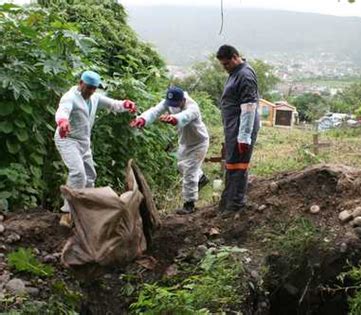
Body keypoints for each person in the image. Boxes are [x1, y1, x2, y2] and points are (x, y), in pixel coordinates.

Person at [55, 70, 137, 227]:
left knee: (90, 176)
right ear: (81, 83)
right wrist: (63, 122)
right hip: (67, 139)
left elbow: (113, 104)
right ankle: (67, 213)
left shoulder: (94, 98)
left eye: (94, 88)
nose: (91, 91)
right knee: (78, 173)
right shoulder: (70, 97)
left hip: (84, 142)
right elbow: (63, 110)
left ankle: (85, 208)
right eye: (89, 87)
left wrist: (125, 105)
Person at [130, 87, 209, 215]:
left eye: (176, 104)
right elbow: (155, 111)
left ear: (183, 100)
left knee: (189, 171)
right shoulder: (169, 102)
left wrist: (174, 119)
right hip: (184, 142)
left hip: (199, 143)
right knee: (181, 166)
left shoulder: (193, 107)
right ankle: (201, 178)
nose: (173, 106)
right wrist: (142, 119)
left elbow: (185, 116)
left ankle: (189, 204)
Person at [216, 44, 260, 213]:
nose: (225, 68)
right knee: (232, 164)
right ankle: (228, 201)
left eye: (226, 64)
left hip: (242, 128)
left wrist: (244, 136)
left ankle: (235, 204)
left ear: (235, 57)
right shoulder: (235, 73)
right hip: (234, 127)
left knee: (239, 165)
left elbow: (249, 107)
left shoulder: (245, 75)